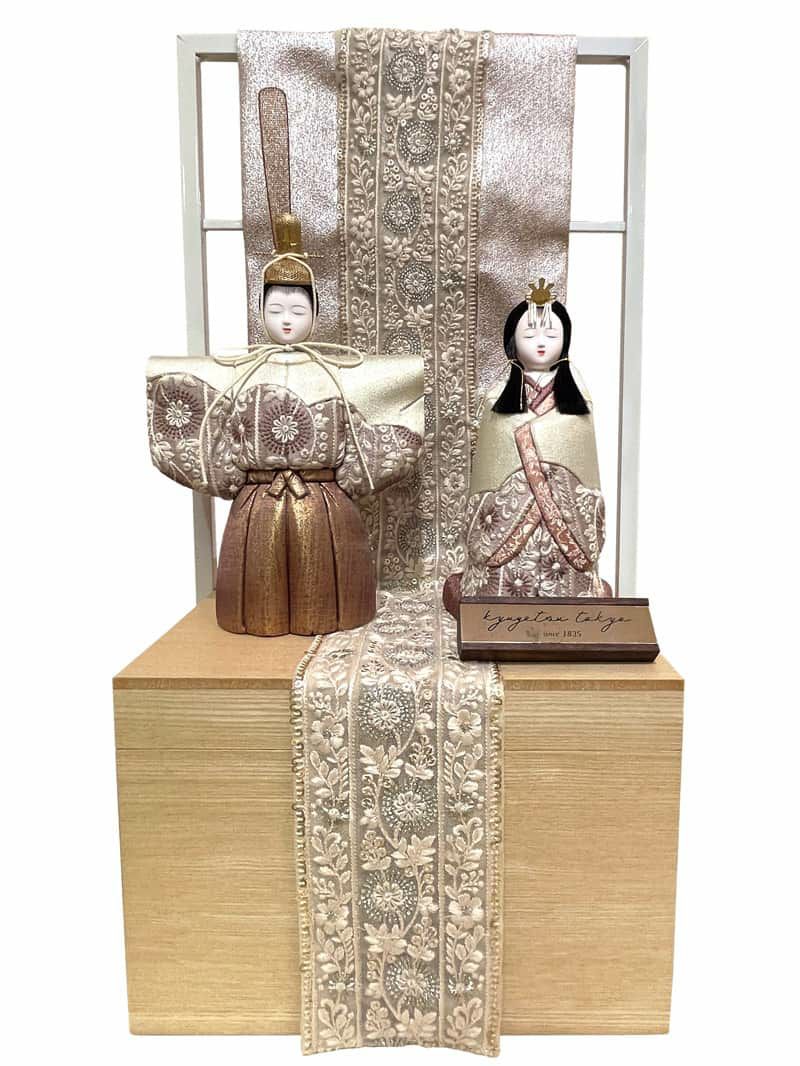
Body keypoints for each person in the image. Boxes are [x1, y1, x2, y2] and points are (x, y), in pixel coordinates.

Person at [147, 213, 424, 636]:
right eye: (275, 309)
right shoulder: (242, 369)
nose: (287, 319)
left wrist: (348, 474)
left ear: (316, 312)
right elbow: (203, 406)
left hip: (325, 497)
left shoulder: (336, 371)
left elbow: (388, 388)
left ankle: (326, 617)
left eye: (298, 309)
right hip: (257, 498)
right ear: (260, 312)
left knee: (326, 585)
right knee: (259, 584)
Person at [444, 277, 610, 614]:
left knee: (563, 570)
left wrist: (548, 472)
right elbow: (491, 463)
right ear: (512, 342)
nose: (541, 343)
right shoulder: (497, 396)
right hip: (510, 509)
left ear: (565, 341)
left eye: (551, 335)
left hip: (566, 511)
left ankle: (570, 597)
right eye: (530, 335)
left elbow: (581, 459)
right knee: (503, 569)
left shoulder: (579, 398)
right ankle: (493, 595)